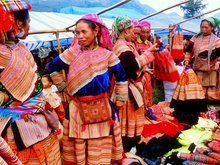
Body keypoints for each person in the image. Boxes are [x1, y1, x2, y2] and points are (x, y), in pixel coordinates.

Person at [48, 14, 128, 165]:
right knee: (79, 146)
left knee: (100, 145)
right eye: (77, 33)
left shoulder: (107, 55)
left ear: (96, 31)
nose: (80, 36)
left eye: (84, 32)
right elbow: (52, 67)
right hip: (77, 108)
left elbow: (121, 76)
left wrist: (121, 98)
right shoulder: (71, 52)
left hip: (102, 107)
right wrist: (63, 87)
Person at [0, 0, 61, 164]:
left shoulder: (20, 48)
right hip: (15, 129)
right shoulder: (4, 53)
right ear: (19, 23)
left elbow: (35, 85)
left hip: (39, 122)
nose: (29, 26)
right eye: (28, 22)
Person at [111, 16, 156, 152]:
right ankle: (127, 145)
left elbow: (130, 65)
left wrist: (144, 70)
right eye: (133, 31)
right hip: (127, 89)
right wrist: (149, 52)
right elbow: (131, 66)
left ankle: (129, 144)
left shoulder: (127, 45)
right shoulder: (121, 47)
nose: (135, 34)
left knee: (130, 118)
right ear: (125, 30)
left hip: (131, 85)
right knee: (128, 117)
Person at [184, 17, 220, 101]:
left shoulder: (217, 40)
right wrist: (186, 60)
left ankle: (206, 109)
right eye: (202, 27)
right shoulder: (195, 38)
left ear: (212, 28)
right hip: (196, 68)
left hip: (210, 70)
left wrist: (218, 62)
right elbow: (188, 51)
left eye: (206, 27)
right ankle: (198, 108)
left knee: (208, 91)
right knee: (197, 89)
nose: (203, 29)